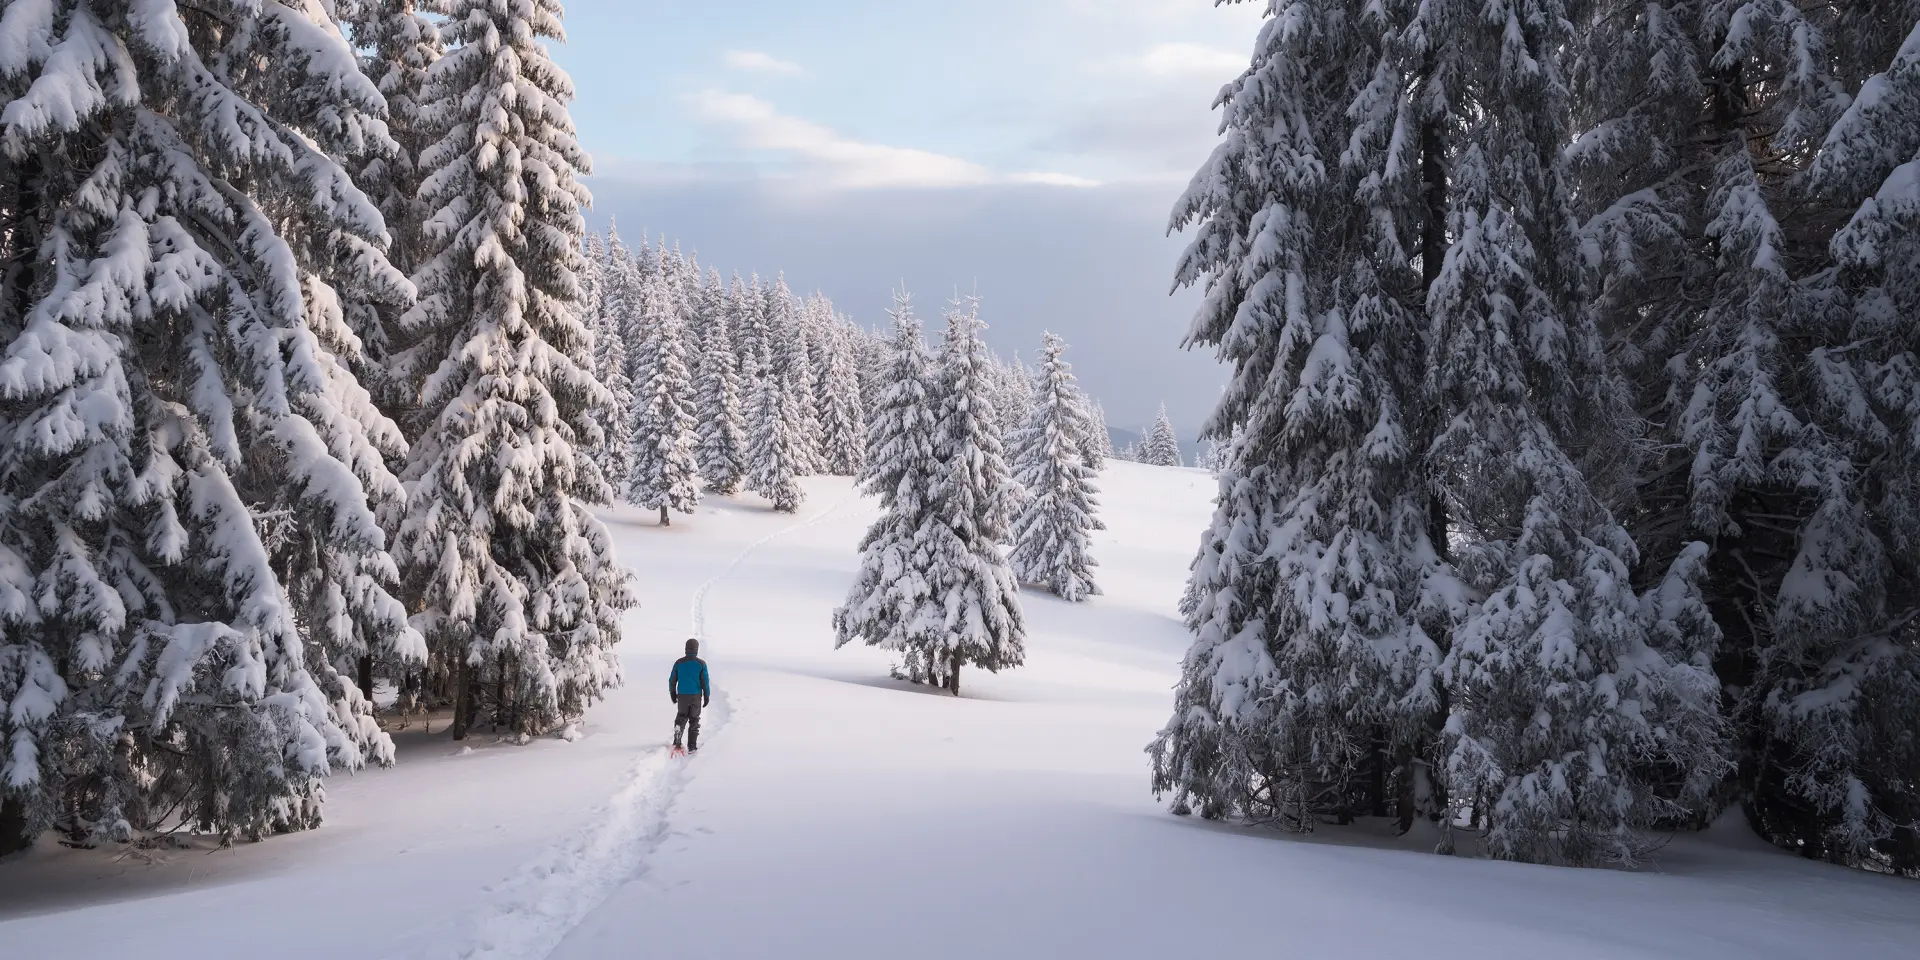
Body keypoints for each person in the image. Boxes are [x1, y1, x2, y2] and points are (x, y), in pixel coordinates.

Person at [669, 638, 711, 752]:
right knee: (694, 720)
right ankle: (692, 746)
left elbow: (672, 680)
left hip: (682, 696)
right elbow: (705, 682)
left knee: (681, 716)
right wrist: (707, 696)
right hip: (695, 696)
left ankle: (677, 736)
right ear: (696, 649)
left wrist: (672, 693)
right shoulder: (701, 664)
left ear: (686, 648)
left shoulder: (679, 663)